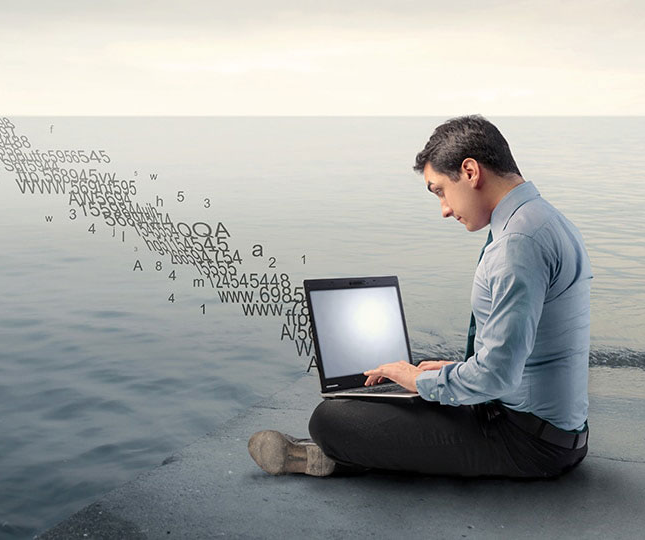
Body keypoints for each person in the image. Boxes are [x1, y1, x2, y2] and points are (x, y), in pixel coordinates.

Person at [247, 115, 593, 479]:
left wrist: (417, 382)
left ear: (471, 172)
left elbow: (497, 377)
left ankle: (333, 456)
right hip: (551, 430)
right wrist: (445, 371)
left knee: (331, 419)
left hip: (526, 441)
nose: (444, 209)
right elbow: (521, 351)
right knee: (420, 373)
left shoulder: (517, 245)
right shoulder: (543, 219)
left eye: (440, 190)